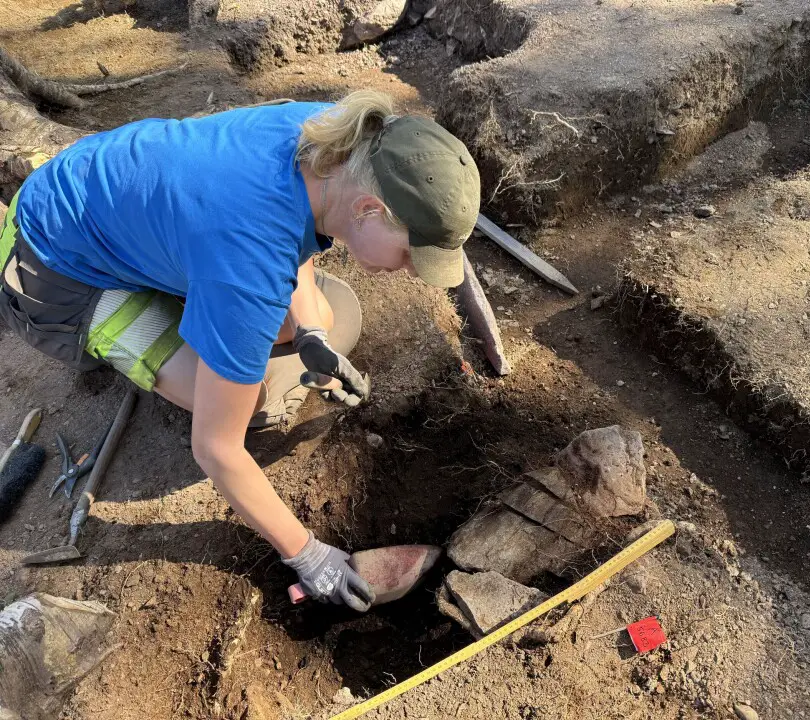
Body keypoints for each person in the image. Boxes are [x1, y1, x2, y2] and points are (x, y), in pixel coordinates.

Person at [0, 91, 481, 612]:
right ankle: (119, 327)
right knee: (256, 403)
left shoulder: (337, 137)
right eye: (412, 254)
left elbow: (291, 226)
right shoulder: (249, 264)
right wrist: (307, 553)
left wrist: (310, 335)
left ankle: (200, 303)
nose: (411, 270)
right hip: (51, 271)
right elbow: (216, 448)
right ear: (369, 208)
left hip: (107, 203)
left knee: (324, 314)